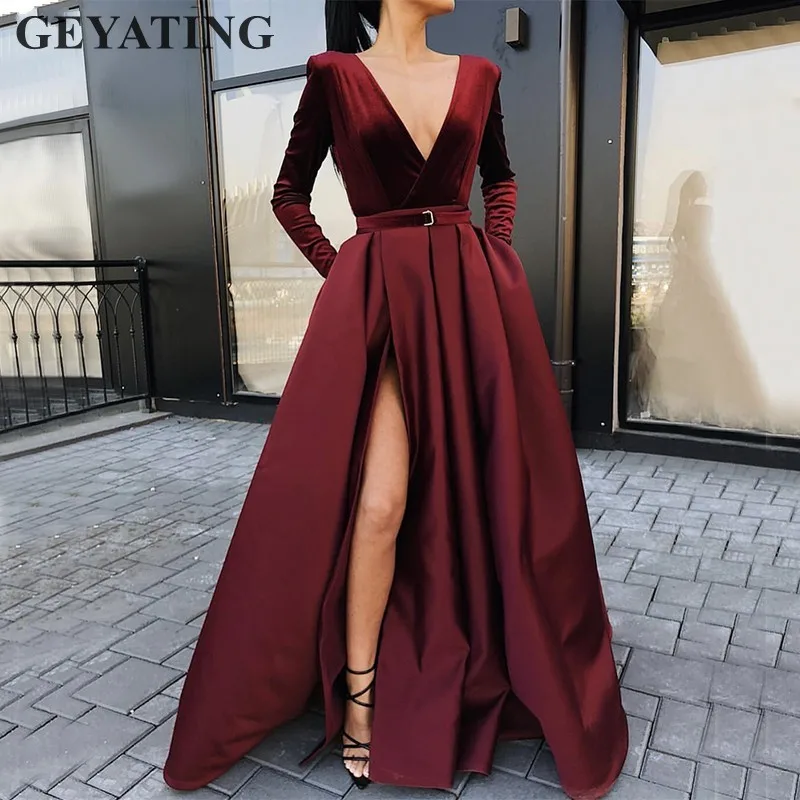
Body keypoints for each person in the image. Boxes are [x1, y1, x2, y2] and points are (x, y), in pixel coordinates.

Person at [162, 1, 629, 798]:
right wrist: (348, 271)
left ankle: (488, 649)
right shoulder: (334, 77)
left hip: (470, 302)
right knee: (380, 504)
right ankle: (361, 694)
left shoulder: (479, 76)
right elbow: (288, 193)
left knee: (495, 492)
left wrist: (491, 259)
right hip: (382, 300)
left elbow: (501, 180)